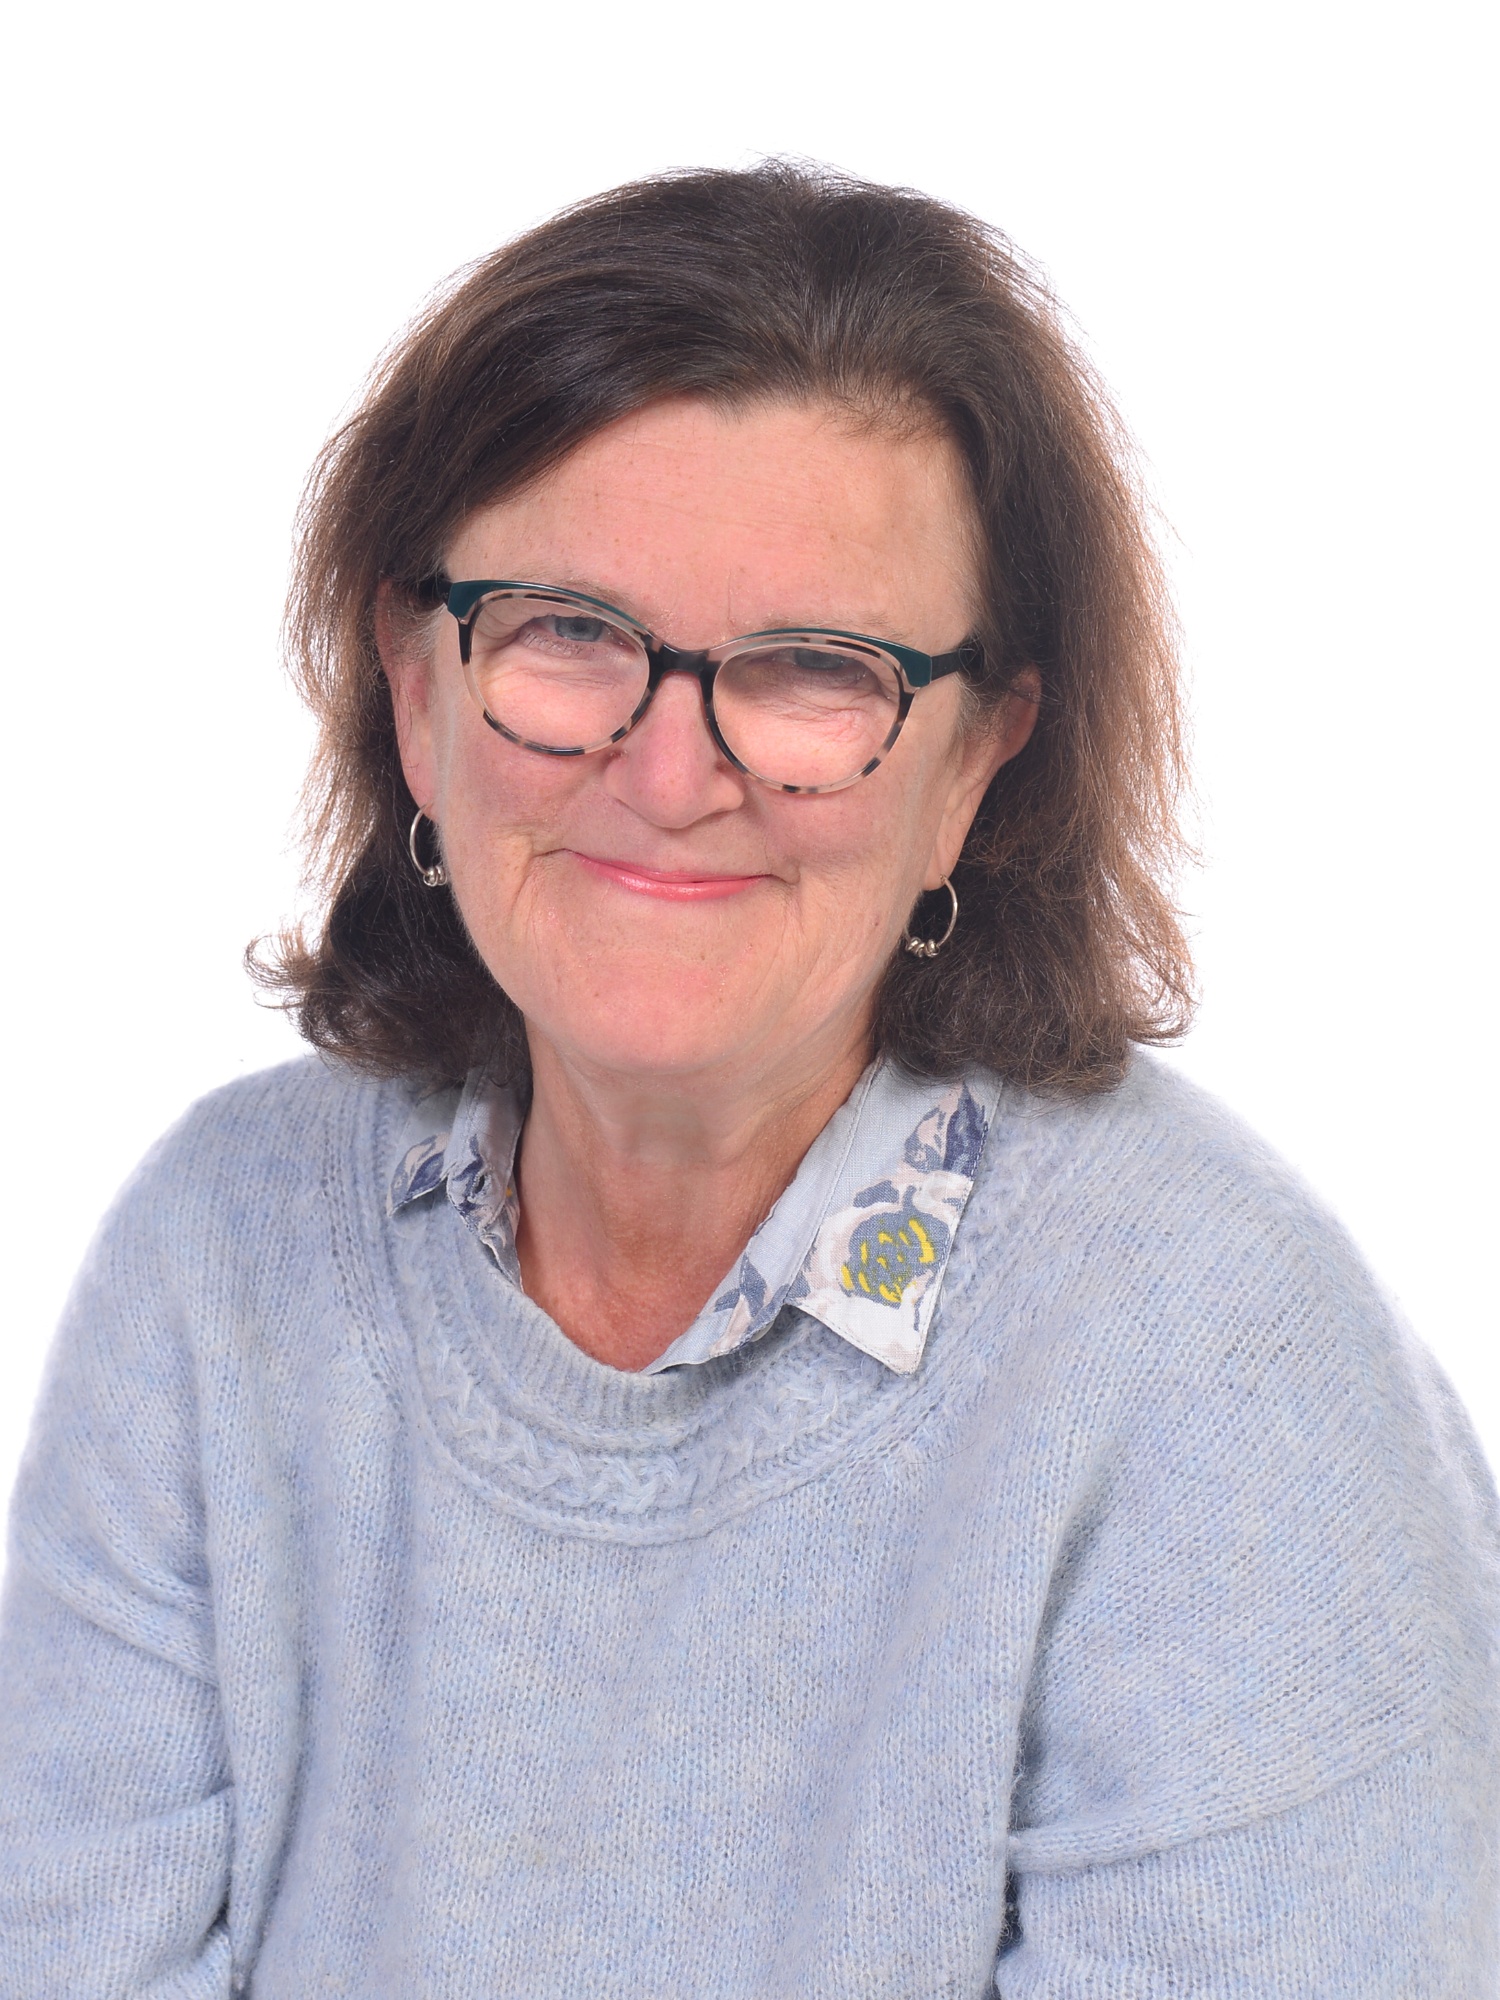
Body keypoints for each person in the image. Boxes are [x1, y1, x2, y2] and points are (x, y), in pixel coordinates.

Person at [0, 162, 1494, 1998]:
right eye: (568, 633)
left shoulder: (1222, 1362)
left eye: (811, 670)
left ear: (975, 765)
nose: (668, 772)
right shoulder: (214, 1255)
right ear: (415, 689)